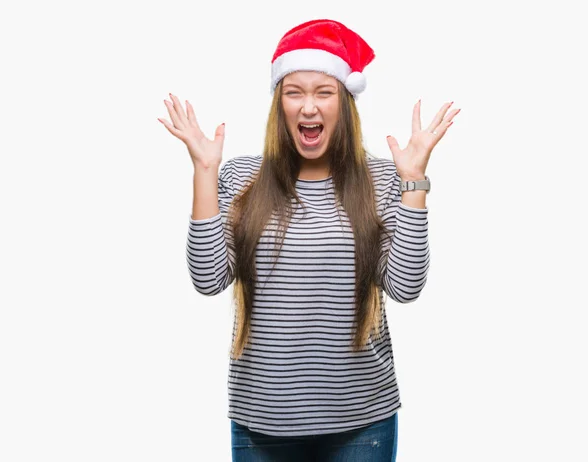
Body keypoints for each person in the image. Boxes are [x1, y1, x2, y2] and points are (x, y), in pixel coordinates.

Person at [159, 18, 460, 462]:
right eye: (294, 92)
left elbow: (405, 287)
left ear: (345, 102)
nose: (309, 107)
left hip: (362, 420)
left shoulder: (379, 179)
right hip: (261, 421)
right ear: (279, 104)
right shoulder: (243, 177)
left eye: (324, 92)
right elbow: (207, 279)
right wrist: (204, 173)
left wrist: (413, 181)